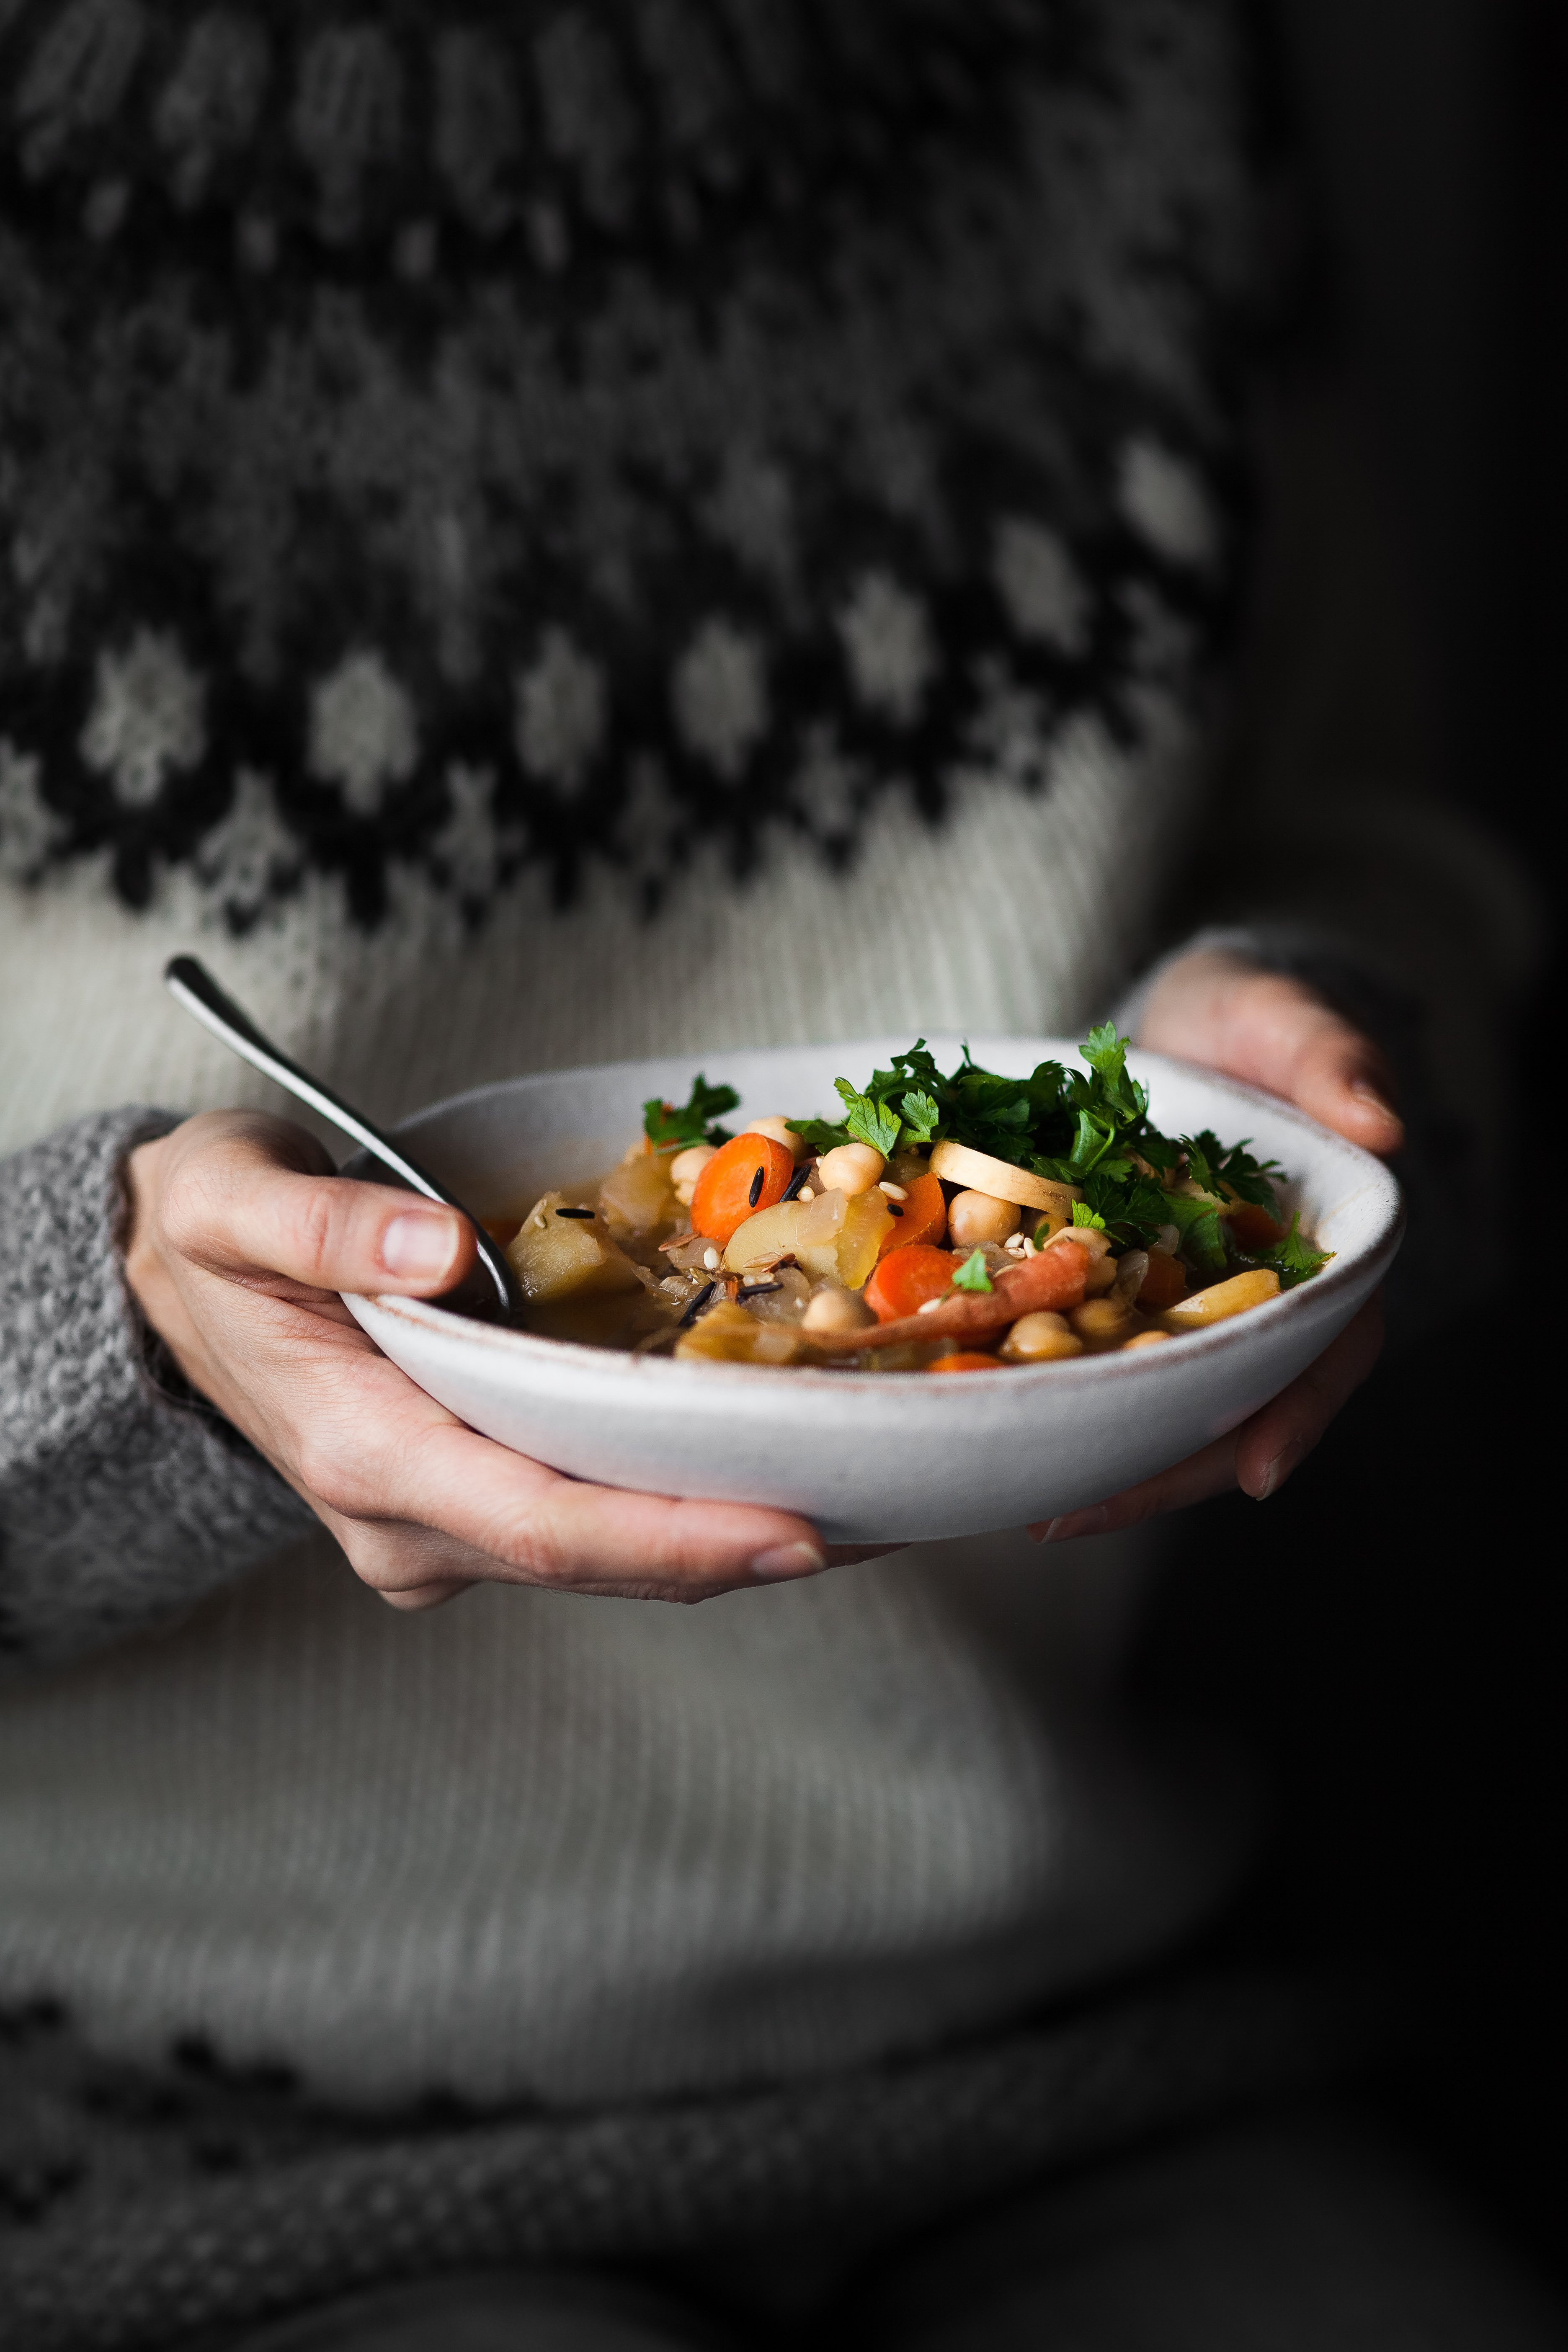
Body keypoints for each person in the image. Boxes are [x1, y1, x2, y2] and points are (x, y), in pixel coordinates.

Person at [0, 3, 1553, 2346]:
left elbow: (1365, 846)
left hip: (1059, 2014)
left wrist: (1320, 1063)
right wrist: (115, 1342)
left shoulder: (1127, 71)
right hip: (132, 2102)